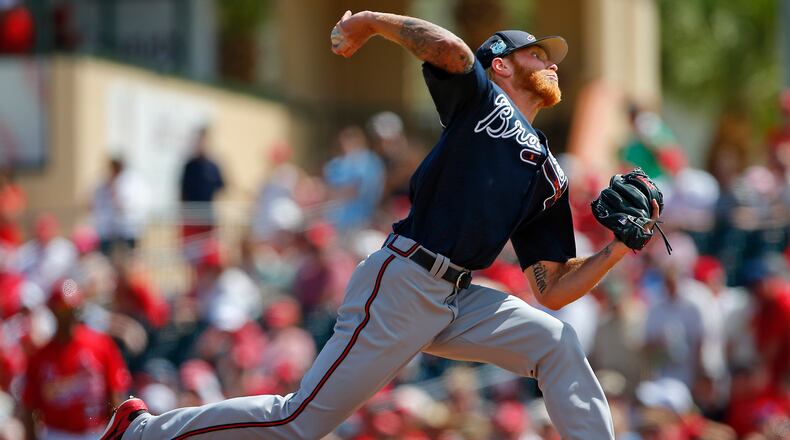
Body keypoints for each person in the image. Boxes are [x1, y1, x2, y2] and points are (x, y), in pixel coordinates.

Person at [107, 9, 661, 440]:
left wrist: (614, 250)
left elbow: (553, 288)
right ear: (500, 64)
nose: (551, 62)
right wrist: (370, 22)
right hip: (404, 281)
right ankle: (143, 430)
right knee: (298, 421)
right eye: (537, 54)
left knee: (556, 341)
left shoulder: (550, 172)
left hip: (458, 298)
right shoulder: (482, 102)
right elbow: (448, 49)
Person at [22, 279, 131, 440]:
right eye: (62, 311)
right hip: (56, 433)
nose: (67, 317)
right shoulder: (40, 356)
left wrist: (114, 433)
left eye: (71, 310)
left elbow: (115, 392)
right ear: (52, 311)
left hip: (95, 432)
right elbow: (29, 406)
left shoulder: (101, 345)